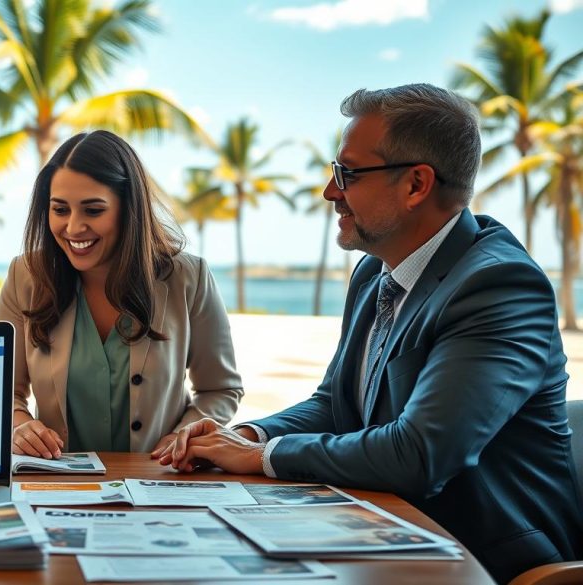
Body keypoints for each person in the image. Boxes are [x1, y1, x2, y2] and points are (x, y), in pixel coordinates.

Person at [154, 83, 583, 583]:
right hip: (384, 533)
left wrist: (259, 457)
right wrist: (248, 433)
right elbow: (335, 403)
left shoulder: (499, 286)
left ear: (416, 185)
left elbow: (420, 454)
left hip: (488, 559)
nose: (330, 192)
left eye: (347, 174)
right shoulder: (375, 272)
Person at [0, 130, 242, 457]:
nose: (73, 228)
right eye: (60, 209)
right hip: (57, 486)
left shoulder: (187, 277)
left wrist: (183, 437)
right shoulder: (25, 276)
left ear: (129, 208)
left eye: (93, 210)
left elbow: (220, 389)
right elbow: (2, 391)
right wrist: (19, 425)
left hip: (159, 483)